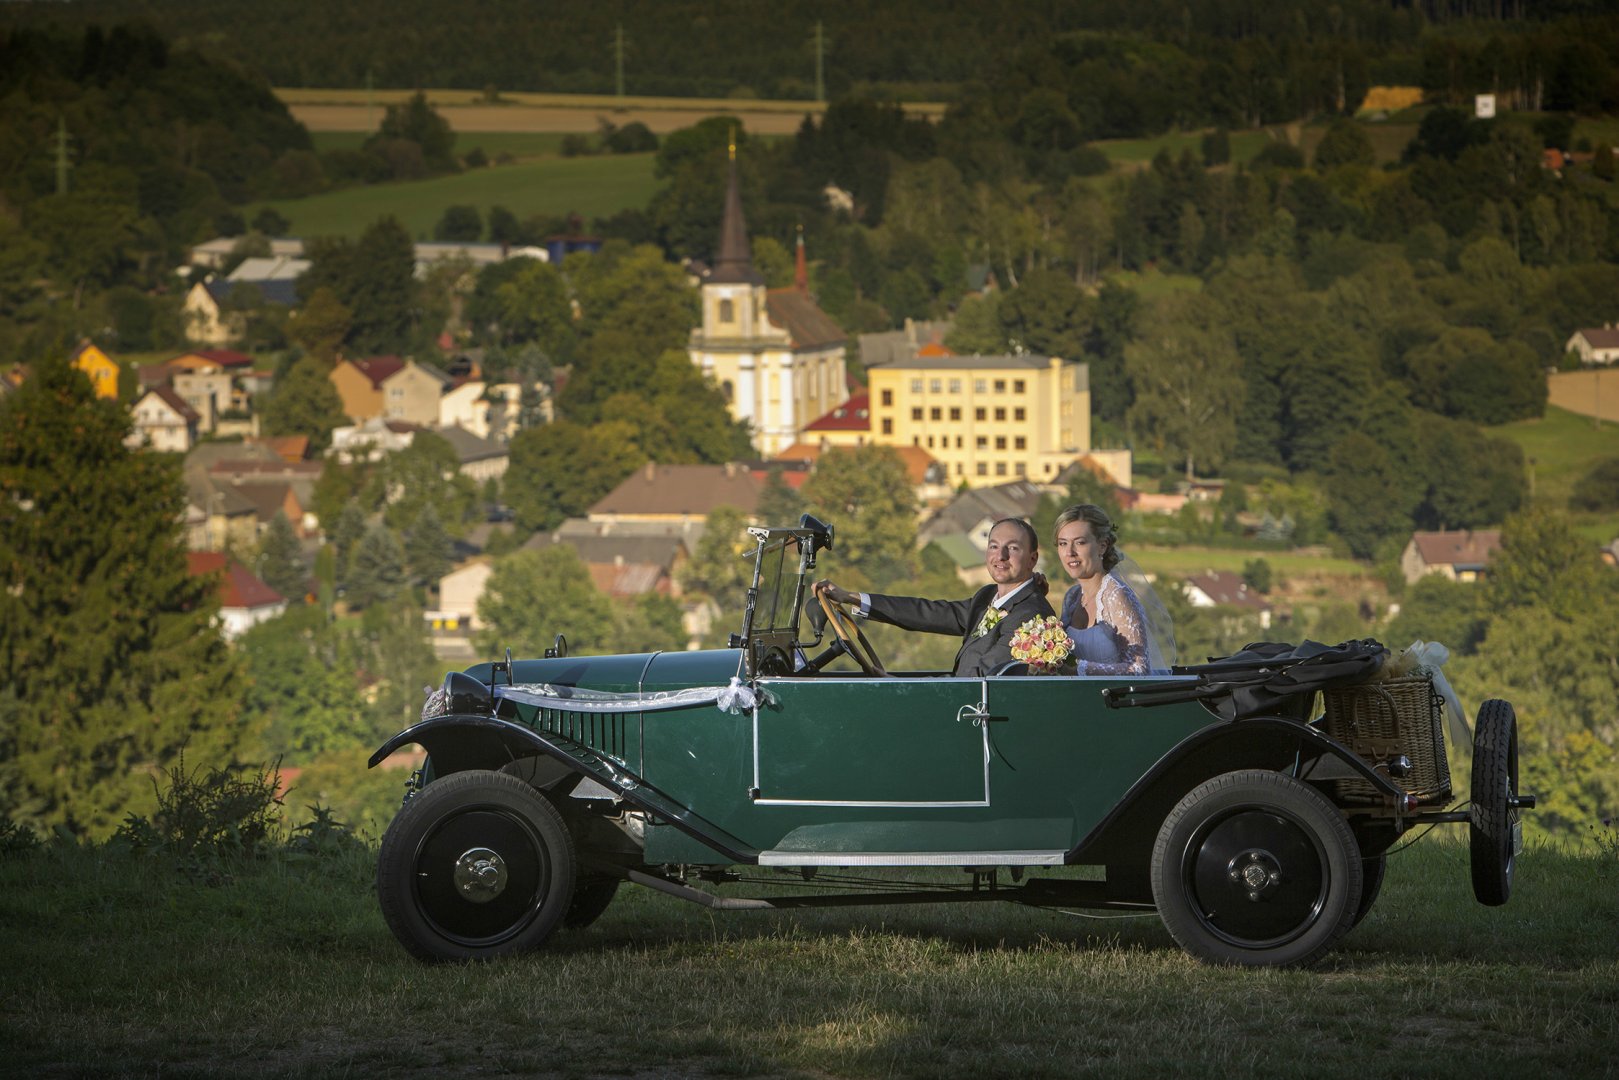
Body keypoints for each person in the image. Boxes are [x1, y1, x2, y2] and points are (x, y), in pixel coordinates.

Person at [812, 518, 1055, 677]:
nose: (1000, 556)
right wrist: (851, 597)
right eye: (993, 546)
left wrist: (900, 685)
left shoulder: (1031, 616)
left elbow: (978, 679)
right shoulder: (987, 596)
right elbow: (930, 613)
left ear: (1032, 559)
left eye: (1013, 548)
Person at [1054, 503, 1175, 675]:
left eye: (1080, 542)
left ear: (1102, 546)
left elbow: (1139, 668)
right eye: (1063, 543)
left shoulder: (1116, 595)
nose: (1069, 552)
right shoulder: (1072, 597)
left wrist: (1081, 669)